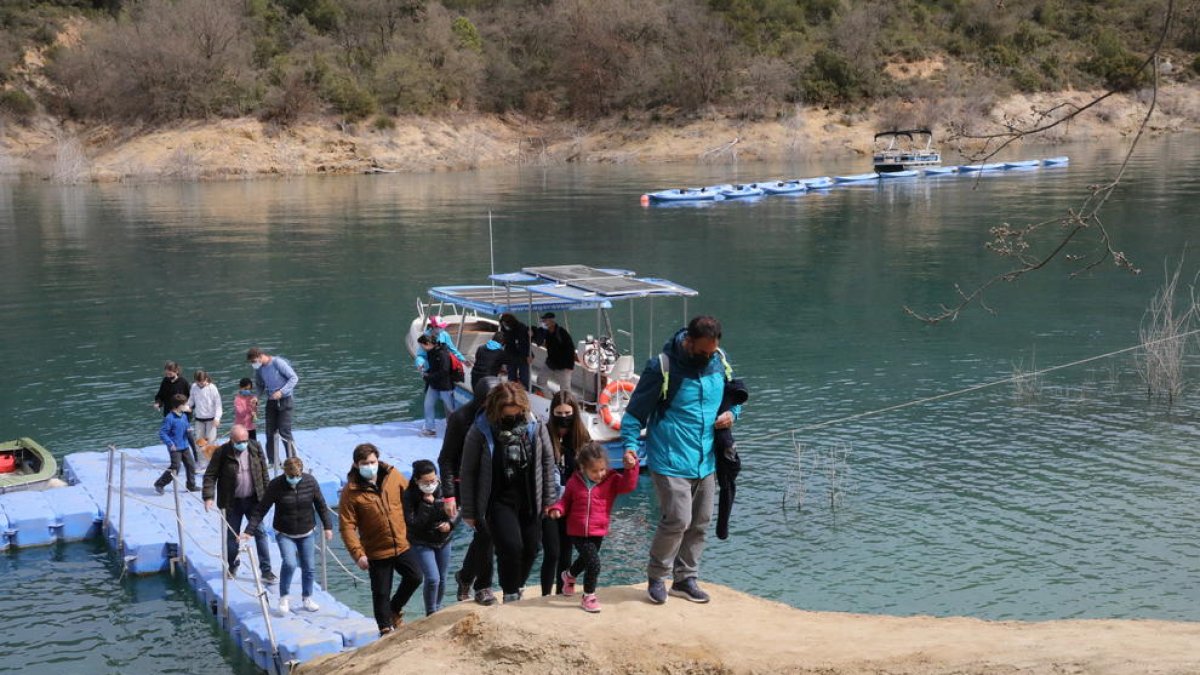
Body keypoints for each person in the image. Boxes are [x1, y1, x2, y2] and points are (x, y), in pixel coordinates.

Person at [620, 315, 739, 605]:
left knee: (700, 521)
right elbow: (634, 414)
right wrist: (630, 446)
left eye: (712, 351)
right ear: (688, 342)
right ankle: (657, 577)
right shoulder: (661, 367)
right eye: (702, 351)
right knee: (677, 520)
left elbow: (732, 398)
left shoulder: (719, 361)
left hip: (706, 458)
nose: (707, 356)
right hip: (670, 459)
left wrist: (732, 415)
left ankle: (685, 579)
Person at [459, 382, 557, 603]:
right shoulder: (481, 429)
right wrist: (470, 510)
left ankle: (518, 584)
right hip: (498, 499)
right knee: (511, 547)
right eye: (508, 414)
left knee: (532, 547)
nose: (513, 417)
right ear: (497, 409)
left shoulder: (535, 425)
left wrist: (550, 499)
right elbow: (468, 471)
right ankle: (510, 594)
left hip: (530, 497)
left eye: (517, 412)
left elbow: (548, 461)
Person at [339, 443, 423, 636]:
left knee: (415, 577)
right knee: (381, 592)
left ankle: (394, 609)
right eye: (365, 463)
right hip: (376, 550)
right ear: (356, 464)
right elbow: (347, 526)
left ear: (378, 460)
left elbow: (410, 498)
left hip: (401, 543)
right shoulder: (350, 492)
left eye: (372, 461)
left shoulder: (393, 476)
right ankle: (385, 628)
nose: (370, 466)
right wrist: (357, 554)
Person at [548, 442, 640, 612]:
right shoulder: (574, 482)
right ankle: (588, 596)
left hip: (598, 530)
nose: (600, 474)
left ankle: (568, 576)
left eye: (602, 469)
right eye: (594, 471)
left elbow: (628, 486)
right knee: (594, 563)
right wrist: (557, 509)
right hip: (577, 530)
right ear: (583, 468)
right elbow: (565, 501)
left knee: (585, 560)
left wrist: (631, 468)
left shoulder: (611, 480)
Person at [242, 456, 332, 615]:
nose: (294, 480)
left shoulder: (310, 482)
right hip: (284, 532)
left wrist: (328, 526)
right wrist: (249, 531)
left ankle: (307, 597)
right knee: (290, 563)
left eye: (297, 476)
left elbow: (321, 505)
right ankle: (283, 596)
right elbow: (262, 508)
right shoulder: (276, 485)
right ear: (285, 474)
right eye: (291, 477)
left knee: (309, 567)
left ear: (301, 472)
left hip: (307, 531)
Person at [439, 377, 500, 606]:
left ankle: (465, 576)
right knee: (486, 533)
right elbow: (445, 458)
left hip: (492, 481)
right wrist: (448, 494)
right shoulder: (461, 418)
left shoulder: (501, 416)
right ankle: (483, 586)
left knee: (487, 535)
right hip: (465, 483)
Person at [202, 424, 276, 583]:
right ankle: (232, 564)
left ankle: (266, 570)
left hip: (253, 500)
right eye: (240, 441)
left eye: (245, 440)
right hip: (231, 502)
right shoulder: (222, 453)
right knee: (232, 536)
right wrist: (208, 496)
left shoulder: (255, 447)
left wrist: (268, 494)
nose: (243, 443)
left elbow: (263, 471)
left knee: (261, 532)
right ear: (232, 440)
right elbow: (210, 475)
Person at [541, 390, 591, 596]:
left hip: (571, 503)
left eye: (567, 413)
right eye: (559, 413)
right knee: (552, 553)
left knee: (566, 553)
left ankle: (562, 591)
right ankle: (545, 594)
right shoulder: (544, 433)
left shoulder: (581, 438)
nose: (564, 418)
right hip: (550, 502)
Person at [403, 459, 454, 616]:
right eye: (426, 482)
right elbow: (412, 523)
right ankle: (431, 612)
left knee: (443, 578)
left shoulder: (445, 488)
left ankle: (437, 607)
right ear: (417, 480)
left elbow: (456, 509)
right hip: (421, 541)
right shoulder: (409, 495)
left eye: (433, 480)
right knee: (433, 578)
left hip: (443, 539)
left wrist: (450, 524)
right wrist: (426, 504)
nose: (431, 484)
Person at [247, 346, 298, 466]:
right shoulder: (259, 369)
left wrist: (281, 391)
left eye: (254, 361)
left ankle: (293, 461)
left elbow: (294, 378)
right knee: (270, 432)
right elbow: (260, 385)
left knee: (284, 431)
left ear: (260, 357)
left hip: (285, 400)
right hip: (271, 401)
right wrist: (257, 397)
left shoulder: (277, 363)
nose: (253, 364)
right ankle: (273, 461)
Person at [153, 361, 199, 462]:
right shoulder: (165, 381)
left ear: (176, 371)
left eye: (170, 374)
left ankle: (196, 458)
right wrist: (158, 403)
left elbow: (192, 397)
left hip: (183, 415)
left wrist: (190, 407)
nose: (168, 376)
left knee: (189, 436)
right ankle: (174, 459)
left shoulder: (184, 382)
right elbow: (160, 396)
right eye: (166, 374)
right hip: (169, 415)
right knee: (170, 437)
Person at [153, 394, 198, 494]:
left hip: (185, 445)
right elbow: (162, 433)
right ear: (178, 406)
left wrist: (188, 429)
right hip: (175, 447)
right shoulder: (169, 418)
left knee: (190, 465)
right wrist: (170, 444)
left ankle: (191, 485)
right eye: (185, 404)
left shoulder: (184, 416)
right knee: (175, 467)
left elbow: (186, 425)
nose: (187, 406)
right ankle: (160, 484)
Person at [417, 334, 457, 438]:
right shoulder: (430, 352)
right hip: (434, 384)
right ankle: (430, 429)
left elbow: (444, 371)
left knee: (451, 407)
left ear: (428, 344)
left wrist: (428, 376)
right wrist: (426, 372)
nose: (422, 348)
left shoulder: (443, 354)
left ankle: (458, 428)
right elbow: (434, 368)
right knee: (428, 405)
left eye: (422, 345)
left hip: (444, 385)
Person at [532, 312, 576, 393]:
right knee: (540, 381)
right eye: (543, 320)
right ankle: (549, 398)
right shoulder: (546, 332)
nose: (543, 322)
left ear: (551, 321)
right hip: (551, 362)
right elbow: (538, 342)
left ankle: (566, 404)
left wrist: (569, 367)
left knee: (565, 389)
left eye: (545, 320)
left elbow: (571, 349)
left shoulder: (562, 333)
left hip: (564, 365)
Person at [188, 370, 222, 452]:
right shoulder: (194, 386)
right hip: (199, 419)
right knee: (199, 442)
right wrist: (187, 406)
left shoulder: (212, 388)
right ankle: (202, 463)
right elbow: (191, 400)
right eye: (198, 382)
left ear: (206, 379)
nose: (200, 384)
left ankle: (212, 461)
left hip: (211, 419)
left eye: (202, 382)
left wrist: (217, 418)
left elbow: (218, 405)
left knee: (210, 441)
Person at [499, 313, 532, 390]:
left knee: (524, 377)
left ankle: (525, 390)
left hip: (523, 354)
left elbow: (526, 343)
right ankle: (511, 391)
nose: (504, 325)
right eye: (503, 324)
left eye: (505, 324)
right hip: (510, 353)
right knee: (511, 375)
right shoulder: (504, 327)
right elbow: (503, 338)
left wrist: (529, 355)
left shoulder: (522, 328)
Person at [233, 378, 260, 442]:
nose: (247, 391)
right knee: (242, 448)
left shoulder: (252, 397)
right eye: (245, 389)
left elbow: (255, 411)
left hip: (251, 427)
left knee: (253, 446)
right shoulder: (237, 399)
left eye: (249, 389)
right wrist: (250, 407)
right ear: (240, 387)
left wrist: (256, 405)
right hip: (241, 428)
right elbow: (241, 413)